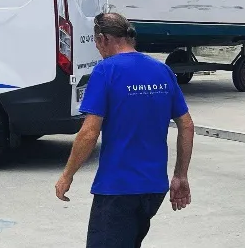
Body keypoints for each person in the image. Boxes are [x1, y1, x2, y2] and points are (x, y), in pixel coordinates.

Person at [55, 12, 195, 248]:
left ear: (103, 39)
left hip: (118, 189)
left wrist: (67, 175)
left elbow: (89, 132)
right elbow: (187, 125)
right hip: (153, 189)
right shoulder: (162, 71)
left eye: (96, 42)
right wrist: (180, 176)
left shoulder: (105, 71)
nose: (98, 49)